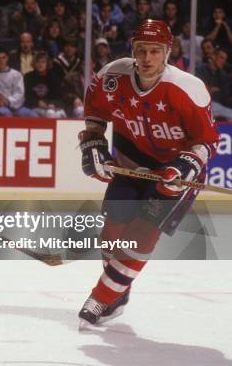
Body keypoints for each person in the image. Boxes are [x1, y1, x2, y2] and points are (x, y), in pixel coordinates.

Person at [77, 19, 220, 329]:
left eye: (155, 51)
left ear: (167, 53)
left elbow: (208, 141)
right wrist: (94, 143)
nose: (147, 58)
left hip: (174, 171)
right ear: (133, 50)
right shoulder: (113, 75)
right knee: (112, 233)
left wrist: (184, 166)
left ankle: (102, 296)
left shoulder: (187, 88)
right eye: (141, 50)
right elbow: (95, 112)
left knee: (141, 233)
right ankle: (118, 292)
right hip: (131, 162)